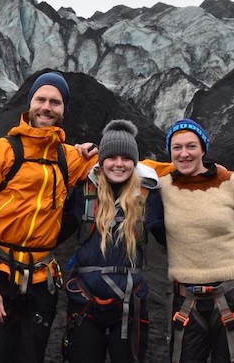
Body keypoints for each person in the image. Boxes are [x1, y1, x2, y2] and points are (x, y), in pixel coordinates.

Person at [0, 71, 98, 363]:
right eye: (41, 99)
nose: (47, 107)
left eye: (55, 102)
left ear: (64, 110)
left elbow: (124, 166)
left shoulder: (68, 158)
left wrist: (189, 169)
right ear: (30, 103)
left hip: (41, 282)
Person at [145, 118, 234, 363]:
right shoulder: (162, 186)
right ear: (169, 153)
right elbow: (121, 164)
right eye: (177, 147)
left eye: (191, 146)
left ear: (203, 149)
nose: (184, 154)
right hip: (185, 301)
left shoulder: (230, 182)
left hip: (231, 296)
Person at [61, 120, 160, 363]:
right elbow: (54, 230)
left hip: (130, 305)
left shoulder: (148, 196)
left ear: (135, 162)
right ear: (101, 160)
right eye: (111, 157)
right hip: (84, 301)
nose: (118, 164)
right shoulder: (85, 192)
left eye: (126, 158)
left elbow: (169, 234)